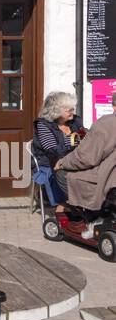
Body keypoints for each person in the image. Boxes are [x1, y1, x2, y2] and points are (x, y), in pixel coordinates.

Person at [55, 97, 116, 237]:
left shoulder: (107, 123)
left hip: (110, 178)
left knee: (63, 174)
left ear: (113, 106)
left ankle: (92, 218)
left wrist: (62, 162)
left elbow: (86, 157)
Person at [31, 90, 83, 206]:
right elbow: (52, 150)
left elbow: (85, 137)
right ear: (55, 110)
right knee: (65, 175)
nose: (72, 111)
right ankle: (68, 205)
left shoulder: (75, 121)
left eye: (72, 108)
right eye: (68, 109)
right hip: (49, 163)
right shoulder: (43, 125)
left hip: (74, 160)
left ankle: (89, 202)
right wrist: (70, 141)